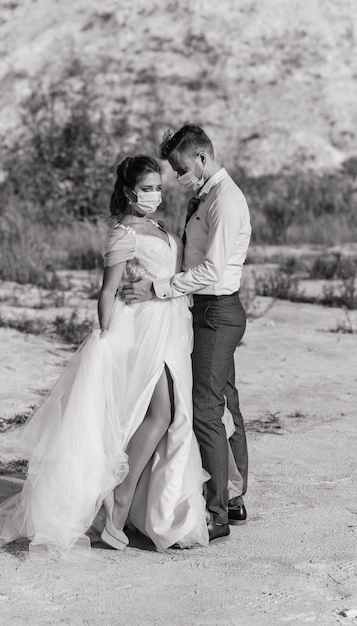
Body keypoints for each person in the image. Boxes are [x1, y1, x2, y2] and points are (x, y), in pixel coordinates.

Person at [0, 154, 242, 558]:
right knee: (163, 413)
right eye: (146, 188)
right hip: (142, 332)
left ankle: (137, 507)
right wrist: (104, 339)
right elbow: (107, 292)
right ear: (128, 192)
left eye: (158, 187)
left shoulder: (154, 226)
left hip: (169, 329)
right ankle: (119, 504)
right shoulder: (124, 232)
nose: (155, 195)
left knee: (167, 416)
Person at [122, 126, 251, 543]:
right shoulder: (208, 197)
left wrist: (159, 288)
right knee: (225, 402)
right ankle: (233, 495)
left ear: (200, 158)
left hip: (217, 311)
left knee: (206, 409)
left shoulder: (226, 202)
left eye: (180, 169)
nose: (179, 178)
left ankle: (216, 513)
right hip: (205, 310)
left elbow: (213, 270)